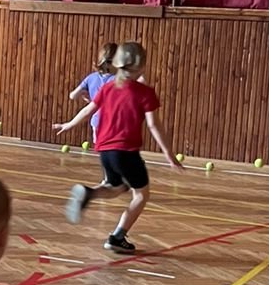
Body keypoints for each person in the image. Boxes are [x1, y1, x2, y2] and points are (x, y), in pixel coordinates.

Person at [55, 41, 181, 256]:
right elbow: (153, 125)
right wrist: (169, 154)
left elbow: (88, 110)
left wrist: (68, 124)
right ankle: (117, 237)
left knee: (117, 188)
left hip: (105, 151)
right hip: (126, 152)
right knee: (141, 195)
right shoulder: (145, 93)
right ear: (142, 66)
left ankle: (89, 193)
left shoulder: (107, 88)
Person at [68, 43, 116, 142]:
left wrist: (85, 94)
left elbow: (72, 96)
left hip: (96, 121)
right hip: (113, 123)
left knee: (99, 148)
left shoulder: (91, 78)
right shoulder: (118, 80)